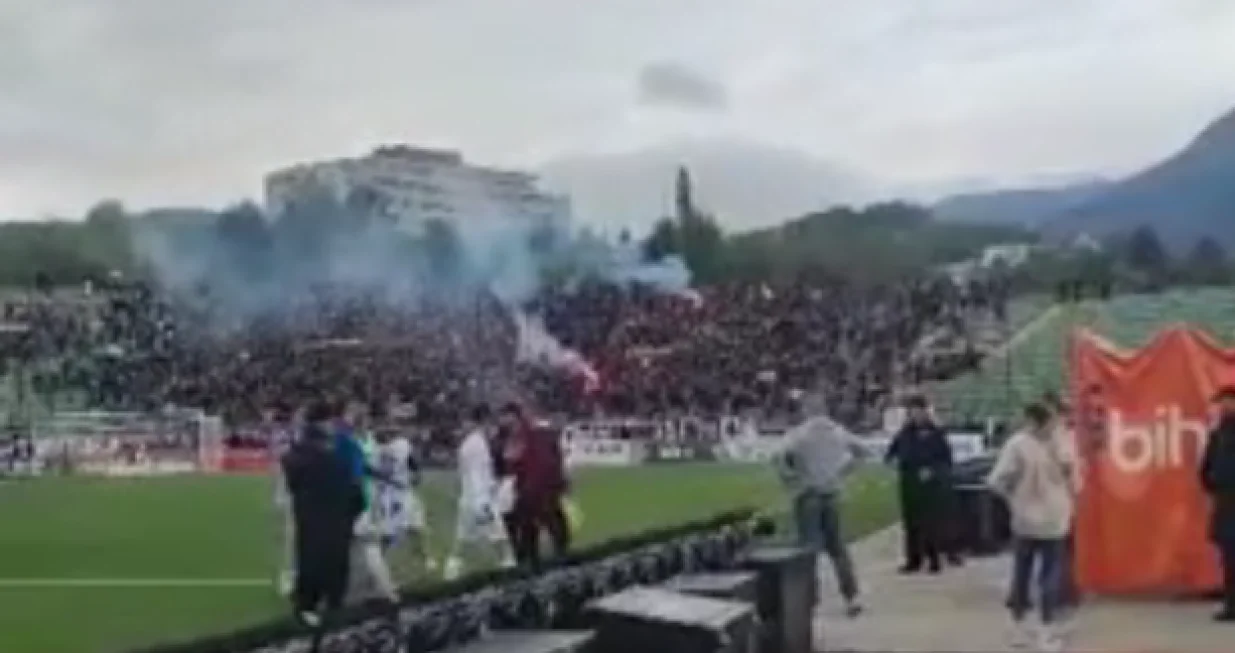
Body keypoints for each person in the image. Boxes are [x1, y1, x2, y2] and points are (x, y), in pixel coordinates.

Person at [987, 402, 1078, 652]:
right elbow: (1074, 479)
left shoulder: (1019, 444)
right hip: (1052, 518)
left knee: (1023, 574)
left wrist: (1011, 498)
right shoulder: (1059, 442)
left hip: (1028, 519)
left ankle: (1021, 628)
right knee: (1046, 575)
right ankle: (1044, 632)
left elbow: (996, 480)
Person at [774, 397, 866, 617]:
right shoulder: (837, 431)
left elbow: (777, 457)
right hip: (832, 493)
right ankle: (851, 596)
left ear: (808, 410)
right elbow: (861, 451)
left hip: (808, 496)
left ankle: (810, 600)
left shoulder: (799, 434)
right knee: (837, 548)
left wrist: (792, 479)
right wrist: (843, 472)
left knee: (808, 551)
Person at [282, 404, 366, 629]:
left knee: (310, 561)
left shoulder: (297, 455)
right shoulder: (341, 453)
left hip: (310, 520)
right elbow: (356, 491)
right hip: (337, 520)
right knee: (335, 567)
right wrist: (352, 513)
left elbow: (292, 480)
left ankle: (307, 607)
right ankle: (331, 609)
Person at [444, 405, 515, 580]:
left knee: (461, 544)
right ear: (484, 421)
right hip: (481, 502)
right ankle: (511, 574)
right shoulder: (478, 445)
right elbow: (477, 477)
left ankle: (450, 575)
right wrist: (484, 504)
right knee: (501, 541)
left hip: (467, 501)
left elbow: (464, 476)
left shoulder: (468, 444)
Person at [885, 395, 954, 574]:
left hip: (929, 484)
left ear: (925, 411)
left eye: (918, 411)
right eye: (912, 411)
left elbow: (946, 460)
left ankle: (933, 558)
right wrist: (892, 462)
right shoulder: (905, 433)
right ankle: (913, 559)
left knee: (931, 522)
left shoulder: (936, 433)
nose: (915, 415)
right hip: (908, 482)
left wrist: (932, 471)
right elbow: (892, 453)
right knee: (911, 523)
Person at [501, 403, 571, 571]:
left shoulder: (528, 435)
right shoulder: (532, 435)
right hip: (537, 488)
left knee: (535, 525)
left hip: (535, 489)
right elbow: (555, 457)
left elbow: (514, 461)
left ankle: (534, 560)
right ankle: (547, 558)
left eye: (506, 417)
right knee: (543, 524)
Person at [372, 426, 436, 575]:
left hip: (403, 492)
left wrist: (416, 474)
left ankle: (426, 558)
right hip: (391, 495)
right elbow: (384, 473)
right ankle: (378, 563)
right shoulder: (381, 449)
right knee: (389, 533)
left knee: (417, 526)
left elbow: (412, 462)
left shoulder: (397, 446)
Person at [1201, 385, 1235, 622]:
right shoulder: (1217, 433)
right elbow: (1205, 466)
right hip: (1224, 502)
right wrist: (1210, 482)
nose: (1224, 406)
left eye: (1228, 401)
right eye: (1221, 402)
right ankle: (1231, 605)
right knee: (1227, 557)